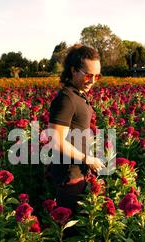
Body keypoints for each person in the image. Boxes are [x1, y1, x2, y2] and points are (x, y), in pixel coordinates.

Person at [46, 44, 105, 215]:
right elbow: (56, 141)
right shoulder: (66, 99)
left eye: (97, 76)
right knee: (70, 231)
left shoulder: (78, 95)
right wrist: (87, 159)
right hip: (69, 176)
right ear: (73, 70)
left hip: (79, 173)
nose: (93, 81)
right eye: (88, 76)